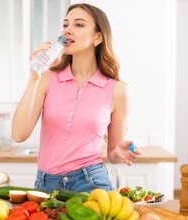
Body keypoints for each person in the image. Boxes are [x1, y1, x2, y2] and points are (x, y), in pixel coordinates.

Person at [12, 3, 142, 194]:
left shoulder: (117, 91)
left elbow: (113, 154)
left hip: (91, 183)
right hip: (46, 184)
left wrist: (120, 152)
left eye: (78, 25)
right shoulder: (47, 77)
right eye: (66, 25)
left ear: (98, 37)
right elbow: (19, 134)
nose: (68, 30)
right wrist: (34, 78)